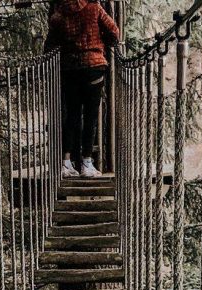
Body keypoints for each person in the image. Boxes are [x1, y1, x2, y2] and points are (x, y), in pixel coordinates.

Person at [44, 0, 121, 178]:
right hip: (93, 67)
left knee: (72, 116)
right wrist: (102, 41)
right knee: (90, 117)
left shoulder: (59, 15)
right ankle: (87, 163)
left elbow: (49, 45)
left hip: (70, 69)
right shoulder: (94, 8)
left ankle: (66, 163)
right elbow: (114, 32)